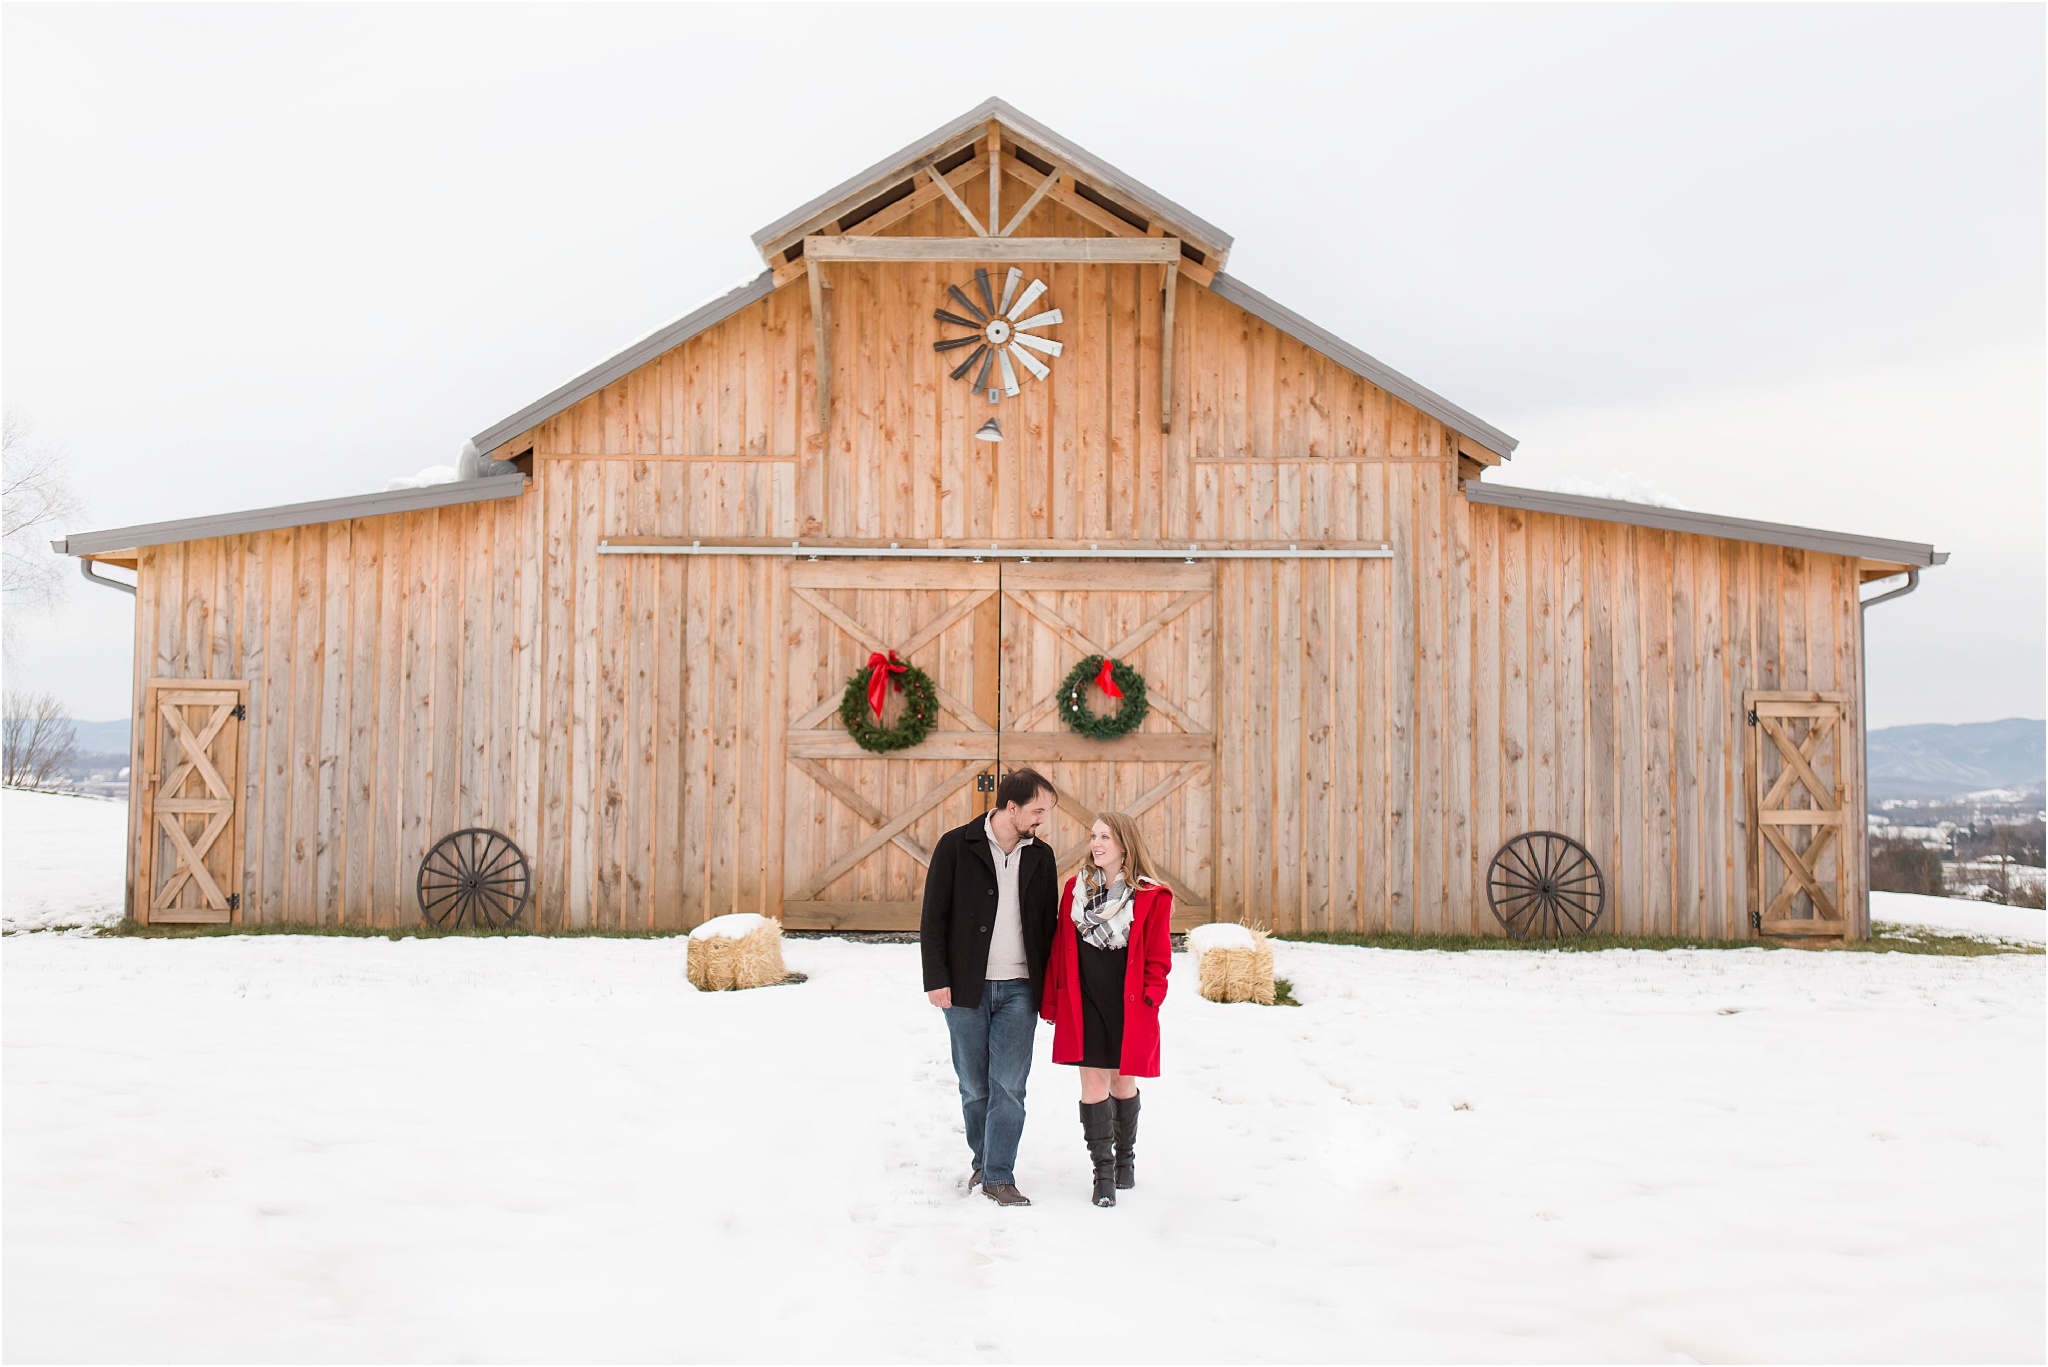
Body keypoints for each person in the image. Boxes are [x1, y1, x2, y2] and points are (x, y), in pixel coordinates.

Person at [920, 768, 1059, 1208]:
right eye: (1037, 811)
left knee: (1010, 1086)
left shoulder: (1042, 855)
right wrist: (937, 979)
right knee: (975, 1086)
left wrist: (1050, 989)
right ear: (1011, 807)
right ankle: (983, 1162)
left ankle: (999, 1174)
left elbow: (1047, 927)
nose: (1042, 820)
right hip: (965, 987)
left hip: (1020, 987)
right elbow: (933, 919)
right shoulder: (955, 846)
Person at [1040, 811, 1173, 1207]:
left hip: (1129, 1004)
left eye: (1105, 837)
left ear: (1124, 845)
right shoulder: (1074, 890)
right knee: (1093, 1086)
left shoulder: (1151, 895)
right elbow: (1057, 950)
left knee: (1122, 1084)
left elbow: (1158, 956)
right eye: (1093, 836)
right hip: (1084, 1002)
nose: (1095, 844)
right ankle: (1102, 1173)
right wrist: (1052, 1000)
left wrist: (1153, 994)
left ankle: (1125, 1159)